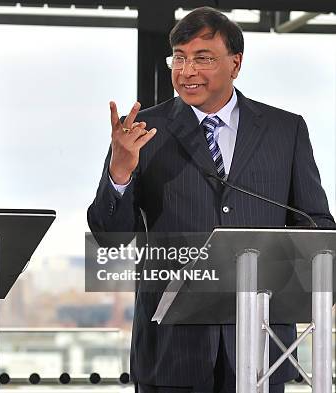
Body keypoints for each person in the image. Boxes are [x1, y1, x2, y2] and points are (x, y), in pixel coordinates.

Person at [87, 6, 333, 393]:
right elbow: (111, 239)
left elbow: (316, 224)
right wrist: (119, 173)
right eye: (179, 59)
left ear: (235, 64)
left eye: (202, 59)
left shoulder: (286, 130)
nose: (187, 72)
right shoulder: (140, 133)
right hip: (172, 347)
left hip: (261, 344)